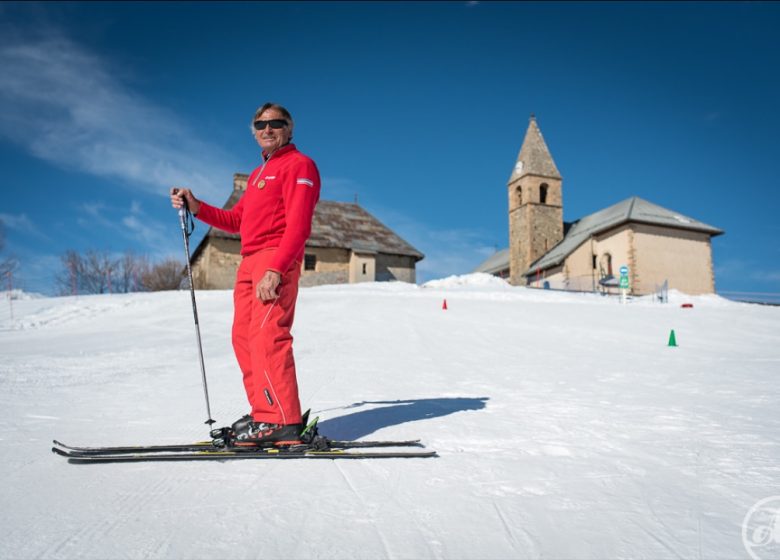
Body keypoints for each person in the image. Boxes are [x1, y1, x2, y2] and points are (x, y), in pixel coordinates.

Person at [171, 102, 320, 445]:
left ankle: (282, 419)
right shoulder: (257, 176)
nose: (267, 129)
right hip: (249, 260)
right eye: (260, 125)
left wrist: (277, 268)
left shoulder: (299, 164)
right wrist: (196, 206)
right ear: (254, 132)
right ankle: (263, 413)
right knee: (244, 338)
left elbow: (299, 224)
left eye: (275, 123)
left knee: (268, 336)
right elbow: (236, 220)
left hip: (274, 257)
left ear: (289, 129)